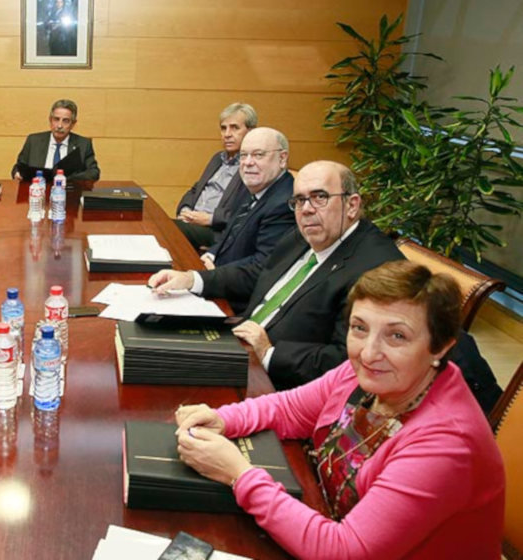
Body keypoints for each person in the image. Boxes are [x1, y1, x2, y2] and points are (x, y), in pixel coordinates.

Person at [173, 260, 504, 559]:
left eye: (397, 336)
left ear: (440, 348)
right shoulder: (371, 373)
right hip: (320, 513)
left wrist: (239, 474)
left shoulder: (447, 445)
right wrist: (223, 418)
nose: (369, 352)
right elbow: (290, 409)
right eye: (359, 328)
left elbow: (343, 551)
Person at [150, 161, 404, 387]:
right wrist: (192, 279)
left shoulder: (377, 270)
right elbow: (258, 274)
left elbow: (347, 361)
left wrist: (270, 353)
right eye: (299, 200)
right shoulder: (307, 233)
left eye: (319, 197)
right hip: (236, 344)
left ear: (352, 205)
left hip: (276, 382)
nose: (306, 209)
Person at [198, 126, 295, 271]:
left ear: (282, 158)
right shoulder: (252, 187)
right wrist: (211, 255)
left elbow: (261, 267)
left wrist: (212, 276)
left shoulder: (284, 203)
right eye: (243, 155)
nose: (248, 162)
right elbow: (229, 235)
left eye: (258, 155)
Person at [175, 103, 255, 248]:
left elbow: (248, 209)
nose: (227, 134)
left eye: (235, 128)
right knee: (158, 224)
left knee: (167, 229)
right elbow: (196, 189)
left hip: (217, 231)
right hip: (193, 222)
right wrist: (185, 210)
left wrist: (210, 219)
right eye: (223, 128)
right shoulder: (218, 158)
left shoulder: (252, 165)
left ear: (250, 131)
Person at [11, 99, 100, 182]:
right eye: (56, 119)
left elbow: (94, 173)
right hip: (38, 192)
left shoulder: (83, 144)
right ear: (50, 120)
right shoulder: (34, 141)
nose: (59, 126)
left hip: (68, 193)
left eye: (65, 121)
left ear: (73, 124)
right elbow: (19, 167)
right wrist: (17, 173)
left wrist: (65, 179)